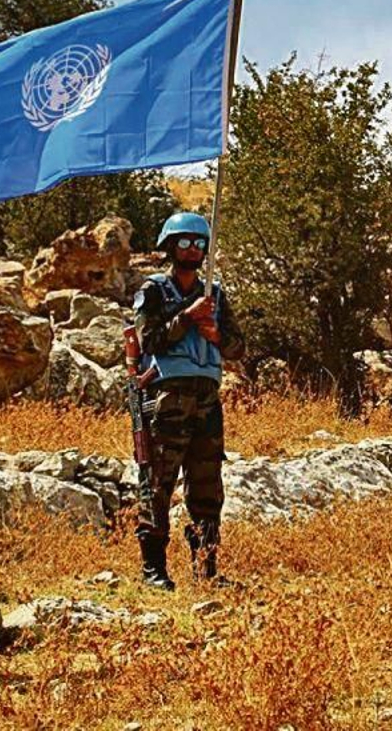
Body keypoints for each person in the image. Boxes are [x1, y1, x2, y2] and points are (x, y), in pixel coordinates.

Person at [132, 212, 245, 587]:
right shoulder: (153, 291)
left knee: (207, 485)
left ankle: (206, 569)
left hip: (207, 398)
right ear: (170, 247)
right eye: (184, 243)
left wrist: (214, 334)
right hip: (167, 397)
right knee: (158, 482)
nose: (193, 250)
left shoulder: (216, 294)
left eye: (199, 244)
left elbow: (237, 348)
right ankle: (154, 570)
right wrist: (187, 317)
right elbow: (149, 340)